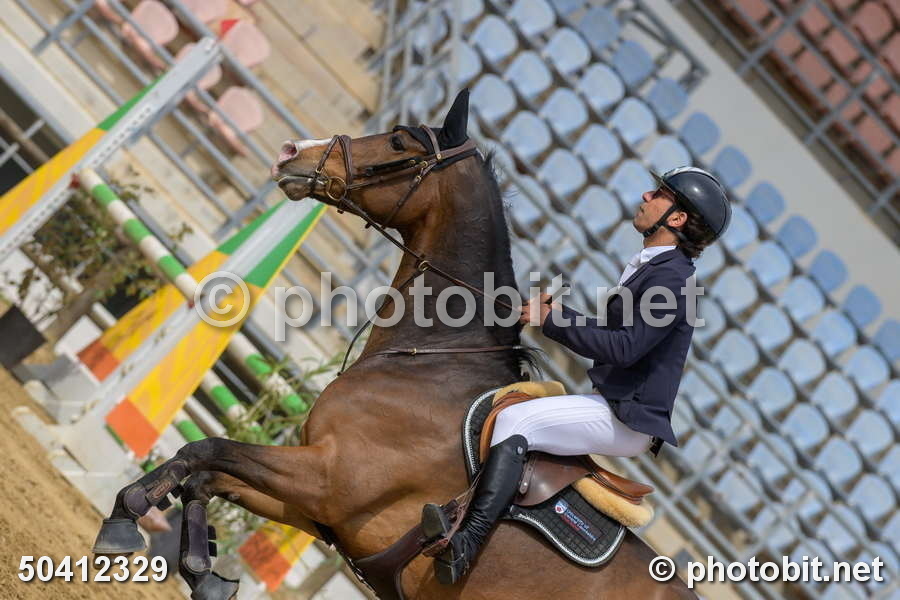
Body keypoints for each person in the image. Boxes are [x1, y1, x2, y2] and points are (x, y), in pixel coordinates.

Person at [421, 166, 732, 585]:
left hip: (627, 419)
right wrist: (553, 314)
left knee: (517, 421)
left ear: (676, 218)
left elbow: (623, 348)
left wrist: (553, 321)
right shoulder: (657, 267)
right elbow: (616, 334)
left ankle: (466, 544)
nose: (646, 196)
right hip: (613, 404)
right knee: (514, 404)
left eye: (659, 193)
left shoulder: (674, 280)